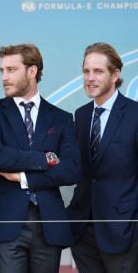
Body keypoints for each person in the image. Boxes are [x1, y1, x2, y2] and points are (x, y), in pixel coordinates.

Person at [0, 44, 81, 273]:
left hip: (49, 224)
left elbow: (72, 170)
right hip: (6, 223)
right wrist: (47, 159)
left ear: (32, 72)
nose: (4, 77)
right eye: (2, 71)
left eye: (11, 70)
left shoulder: (62, 118)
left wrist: (25, 178)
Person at [67, 42, 138, 273]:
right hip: (83, 232)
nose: (90, 77)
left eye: (98, 71)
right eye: (86, 71)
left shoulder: (135, 115)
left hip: (124, 232)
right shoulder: (81, 115)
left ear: (115, 75)